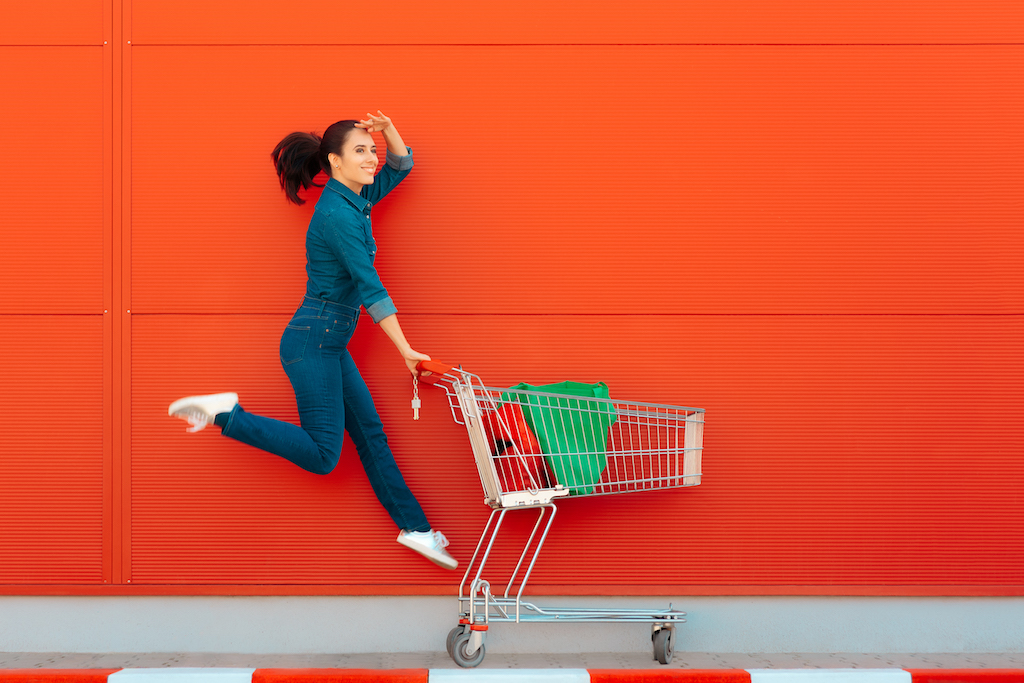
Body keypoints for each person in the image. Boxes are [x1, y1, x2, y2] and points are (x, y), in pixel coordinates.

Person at [167, 111, 457, 570]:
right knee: (325, 456)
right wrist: (406, 350)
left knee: (372, 438)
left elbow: (402, 167)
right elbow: (370, 287)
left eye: (372, 151)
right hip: (313, 341)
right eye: (360, 151)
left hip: (327, 342)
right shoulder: (339, 217)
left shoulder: (355, 199)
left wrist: (389, 131)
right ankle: (228, 414)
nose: (372, 158)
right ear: (334, 162)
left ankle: (417, 529)